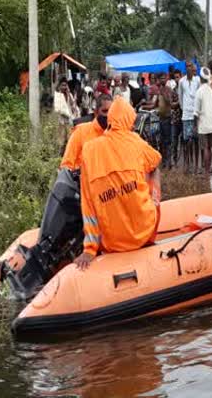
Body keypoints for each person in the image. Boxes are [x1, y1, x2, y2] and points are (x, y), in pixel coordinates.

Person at [75, 97, 162, 269]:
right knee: (151, 173)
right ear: (129, 119)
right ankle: (150, 234)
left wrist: (90, 249)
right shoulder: (136, 142)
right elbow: (156, 161)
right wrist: (155, 198)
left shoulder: (89, 150)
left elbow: (88, 204)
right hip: (143, 234)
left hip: (111, 243)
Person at [61, 94, 113, 171]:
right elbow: (66, 165)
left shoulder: (116, 134)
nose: (108, 115)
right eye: (105, 111)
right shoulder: (80, 132)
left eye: (111, 111)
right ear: (96, 112)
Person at [177, 61, 200, 171]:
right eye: (187, 66)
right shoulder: (181, 81)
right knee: (186, 141)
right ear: (185, 68)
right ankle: (187, 163)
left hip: (196, 115)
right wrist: (184, 108)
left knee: (196, 141)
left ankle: (196, 165)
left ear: (193, 67)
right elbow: (180, 97)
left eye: (190, 66)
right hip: (186, 115)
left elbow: (199, 96)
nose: (189, 68)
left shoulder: (198, 80)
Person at [195, 67, 212, 174]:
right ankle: (208, 169)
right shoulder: (211, 91)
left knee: (205, 148)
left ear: (200, 78)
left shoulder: (199, 91)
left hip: (203, 124)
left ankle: (206, 171)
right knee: (210, 147)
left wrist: (195, 126)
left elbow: (196, 112)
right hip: (211, 124)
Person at [154, 73, 174, 168]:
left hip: (167, 118)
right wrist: (144, 105)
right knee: (161, 141)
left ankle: (168, 162)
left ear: (166, 79)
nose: (162, 80)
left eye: (163, 78)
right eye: (160, 78)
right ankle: (163, 161)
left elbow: (170, 102)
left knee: (167, 141)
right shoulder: (159, 90)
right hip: (160, 118)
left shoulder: (168, 90)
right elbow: (155, 104)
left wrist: (164, 94)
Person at [54, 77, 81, 145]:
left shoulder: (69, 94)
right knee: (61, 140)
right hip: (61, 120)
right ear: (59, 86)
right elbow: (57, 108)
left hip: (69, 120)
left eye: (65, 85)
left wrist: (69, 93)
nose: (64, 87)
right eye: (62, 85)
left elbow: (73, 104)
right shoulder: (57, 95)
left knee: (70, 139)